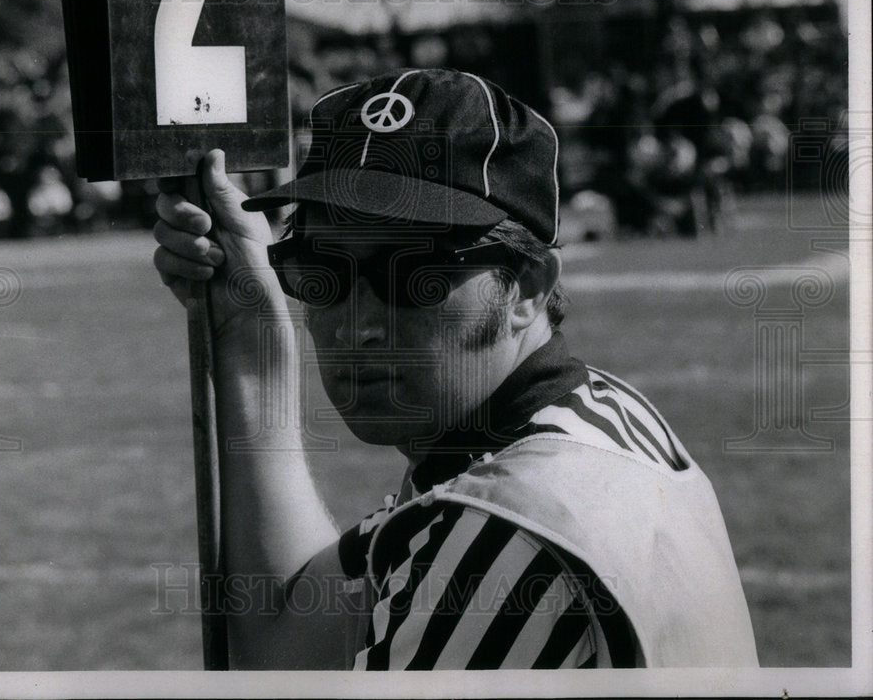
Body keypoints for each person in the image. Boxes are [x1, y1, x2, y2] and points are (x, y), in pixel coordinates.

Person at [152, 68, 758, 670]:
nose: (358, 324)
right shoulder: (595, 415)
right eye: (322, 272)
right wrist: (247, 337)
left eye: (415, 274)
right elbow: (285, 638)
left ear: (526, 286)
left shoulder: (502, 537)